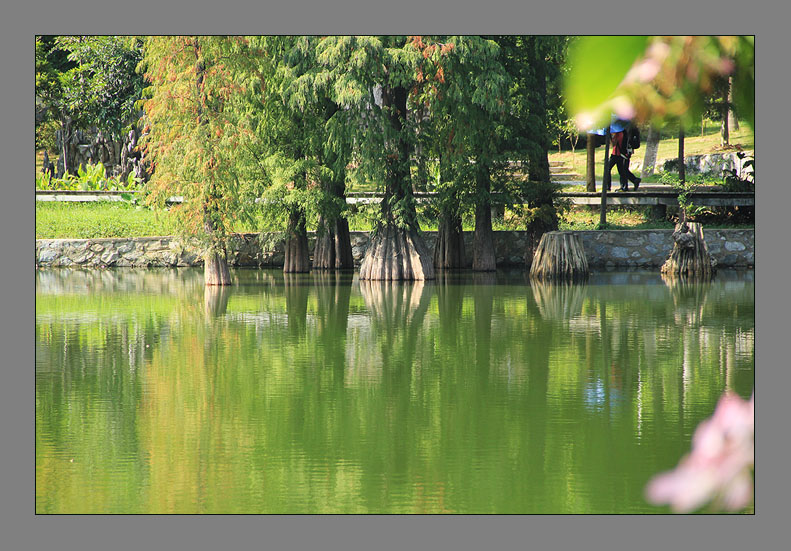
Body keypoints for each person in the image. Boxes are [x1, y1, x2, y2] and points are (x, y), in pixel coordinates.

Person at [608, 124, 641, 191]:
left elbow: (614, 143)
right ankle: (632, 182)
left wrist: (611, 137)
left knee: (610, 169)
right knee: (622, 171)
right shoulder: (623, 131)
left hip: (619, 154)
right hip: (619, 153)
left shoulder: (620, 133)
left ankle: (609, 187)